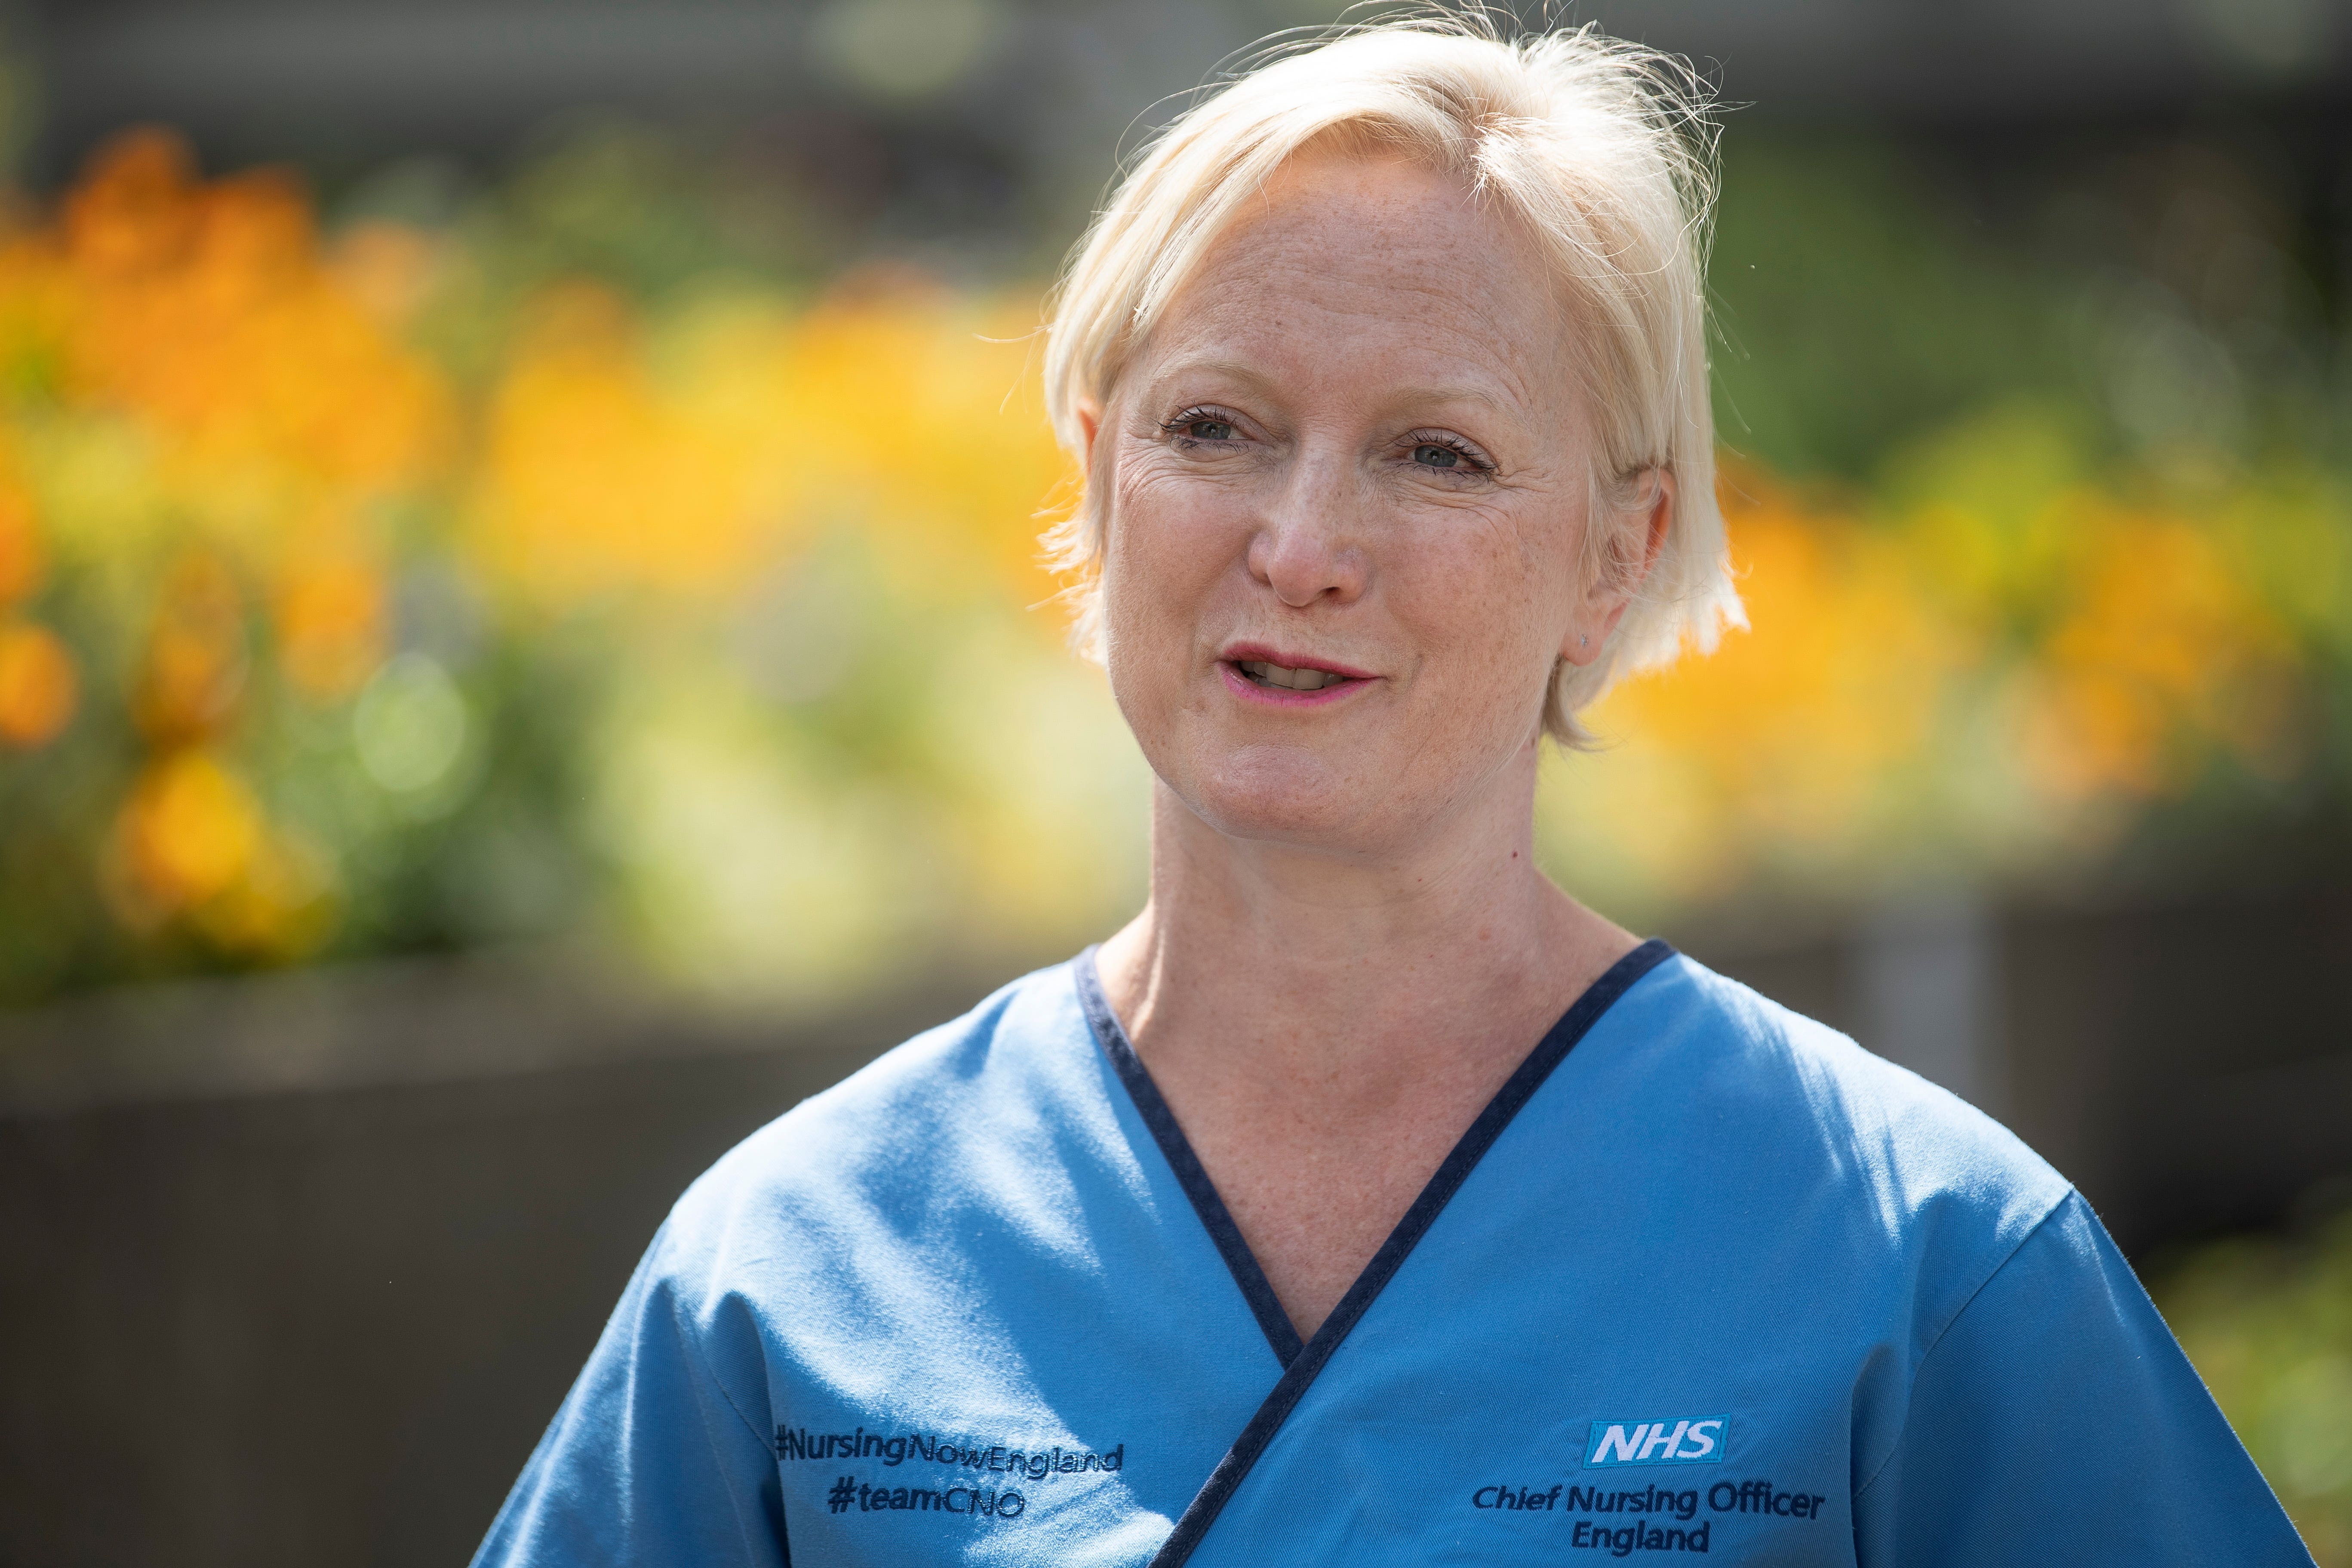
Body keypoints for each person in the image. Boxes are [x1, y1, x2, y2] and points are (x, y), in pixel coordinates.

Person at [472, 17, 2312, 1567]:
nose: (1299, 545)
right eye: (1216, 429)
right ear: (1101, 483)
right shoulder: (792, 1273)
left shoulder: (1930, 1271)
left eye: (1437, 454)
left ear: (1619, 551)